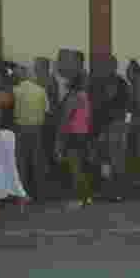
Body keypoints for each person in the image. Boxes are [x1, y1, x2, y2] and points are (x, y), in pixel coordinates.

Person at [92, 56, 130, 202]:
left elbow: (124, 106)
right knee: (107, 160)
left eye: (106, 65)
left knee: (112, 160)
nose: (104, 68)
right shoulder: (119, 83)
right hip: (111, 125)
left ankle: (115, 191)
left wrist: (124, 125)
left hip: (113, 126)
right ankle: (111, 190)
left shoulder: (112, 82)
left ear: (113, 66)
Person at [57, 71, 93, 209]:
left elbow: (65, 118)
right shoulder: (85, 97)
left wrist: (60, 138)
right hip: (82, 134)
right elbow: (86, 118)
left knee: (75, 168)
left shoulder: (75, 97)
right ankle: (85, 197)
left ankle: (79, 198)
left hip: (74, 134)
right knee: (80, 168)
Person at [13, 64, 48, 202]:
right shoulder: (41, 90)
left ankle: (22, 193)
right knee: (37, 161)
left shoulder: (15, 91)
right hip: (38, 128)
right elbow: (47, 110)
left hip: (20, 128)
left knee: (21, 161)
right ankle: (41, 193)